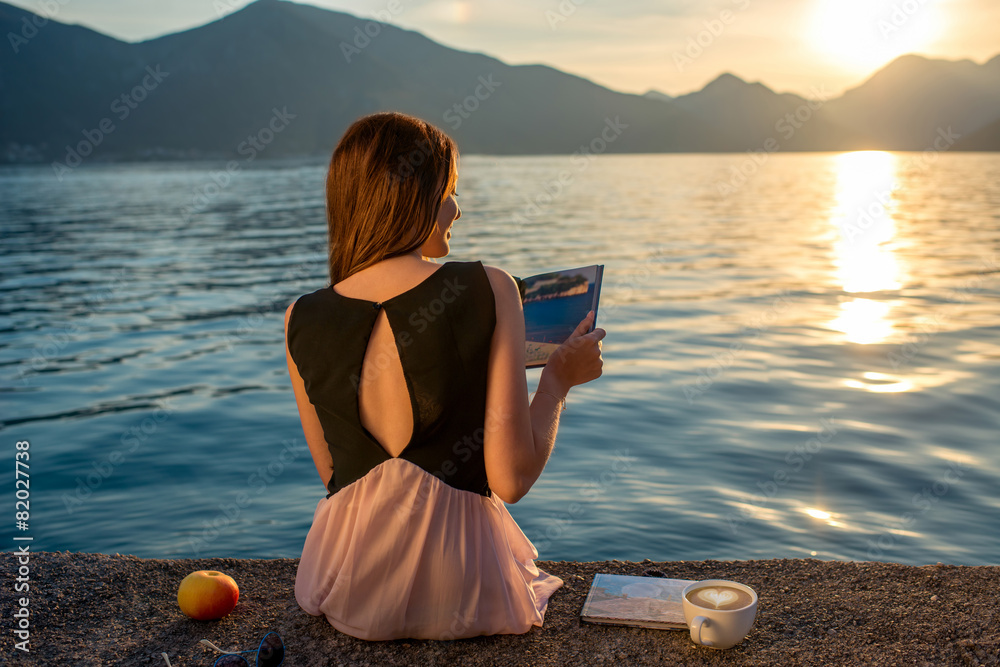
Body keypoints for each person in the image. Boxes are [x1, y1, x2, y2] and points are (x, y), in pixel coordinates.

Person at [284, 111, 606, 641]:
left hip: (345, 588)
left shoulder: (302, 316)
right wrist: (556, 383)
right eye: (450, 189)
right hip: (465, 593)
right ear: (414, 194)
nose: (457, 207)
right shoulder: (491, 287)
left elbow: (337, 480)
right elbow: (512, 480)